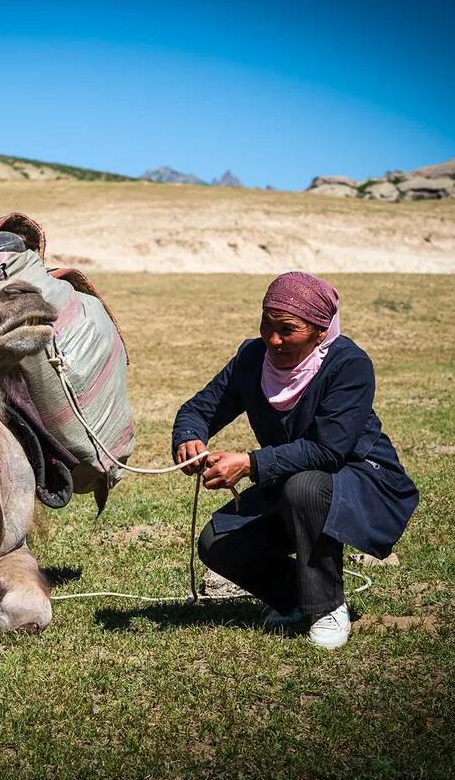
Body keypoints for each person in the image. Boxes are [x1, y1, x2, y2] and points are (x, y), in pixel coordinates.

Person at [171, 272, 417, 649]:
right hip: (288, 482)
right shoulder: (252, 358)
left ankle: (328, 607)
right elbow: (199, 409)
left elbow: (328, 450)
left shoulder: (349, 365)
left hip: (357, 479)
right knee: (217, 542)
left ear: (320, 331)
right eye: (267, 325)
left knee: (304, 486)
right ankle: (296, 600)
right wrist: (189, 437)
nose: (273, 339)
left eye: (287, 330)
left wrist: (251, 463)